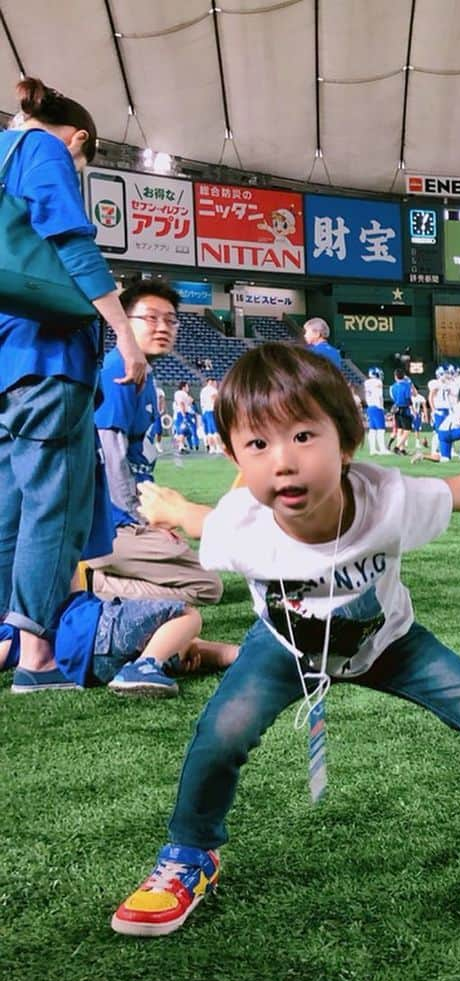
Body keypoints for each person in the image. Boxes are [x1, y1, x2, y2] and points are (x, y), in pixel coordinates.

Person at [110, 344, 460, 936]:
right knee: (221, 734)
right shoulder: (240, 526)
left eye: (302, 436)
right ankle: (191, 853)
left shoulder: (388, 500)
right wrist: (172, 507)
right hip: (286, 647)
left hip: (389, 641)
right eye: (258, 445)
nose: (283, 463)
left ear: (346, 442)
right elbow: (199, 521)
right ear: (233, 454)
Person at [0, 76, 149, 693]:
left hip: (7, 361)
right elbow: (68, 238)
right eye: (83, 160)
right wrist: (124, 331)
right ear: (79, 138)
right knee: (53, 506)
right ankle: (36, 655)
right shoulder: (44, 150)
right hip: (48, 358)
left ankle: (8, 641)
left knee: (9, 505)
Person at [87, 282, 224, 606]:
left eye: (170, 319)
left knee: (203, 568)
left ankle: (101, 579)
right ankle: (92, 584)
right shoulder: (119, 368)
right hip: (111, 524)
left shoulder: (143, 375)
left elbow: (137, 463)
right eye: (150, 318)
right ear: (122, 320)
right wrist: (137, 518)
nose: (162, 327)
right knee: (208, 585)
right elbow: (110, 452)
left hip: (125, 519)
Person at [0, 586, 236, 698]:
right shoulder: (12, 620)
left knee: (183, 642)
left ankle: (245, 655)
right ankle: (146, 665)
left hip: (94, 667)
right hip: (92, 629)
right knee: (185, 615)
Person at [363, 366, 389, 456]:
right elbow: (379, 396)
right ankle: (382, 449)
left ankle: (373, 449)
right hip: (377, 406)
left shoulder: (367, 382)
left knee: (372, 429)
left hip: (370, 406)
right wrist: (382, 407)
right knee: (381, 429)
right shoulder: (378, 382)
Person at [388, 368, 414, 455]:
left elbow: (393, 397)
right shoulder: (407, 385)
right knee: (407, 429)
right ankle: (397, 447)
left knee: (400, 429)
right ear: (404, 376)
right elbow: (408, 397)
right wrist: (411, 406)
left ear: (395, 376)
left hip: (396, 408)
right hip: (404, 408)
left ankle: (402, 449)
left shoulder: (393, 386)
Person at [200, 377, 223, 455]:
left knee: (209, 432)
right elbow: (214, 400)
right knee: (215, 430)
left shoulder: (203, 391)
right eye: (215, 383)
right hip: (211, 411)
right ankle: (219, 447)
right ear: (212, 382)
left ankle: (212, 448)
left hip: (205, 412)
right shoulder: (212, 390)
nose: (216, 384)